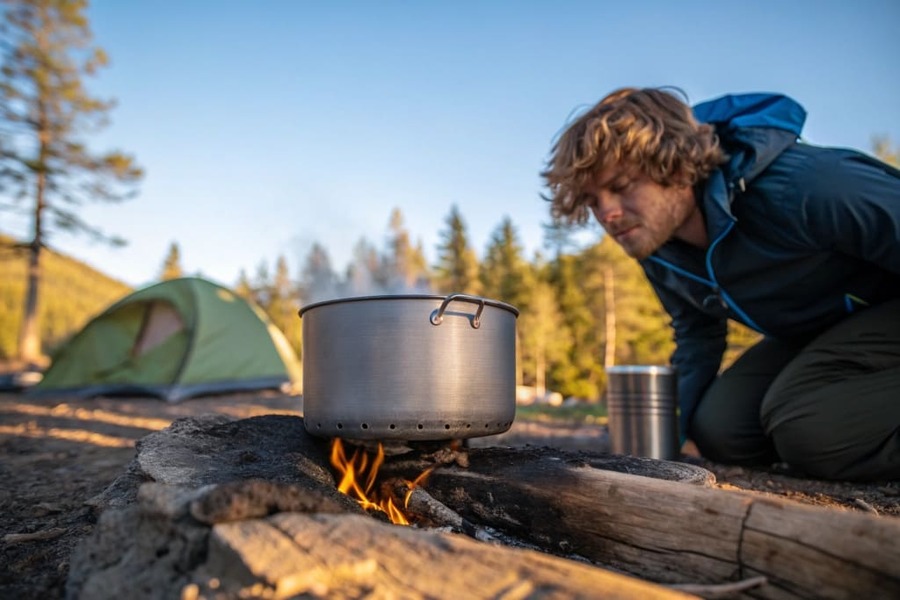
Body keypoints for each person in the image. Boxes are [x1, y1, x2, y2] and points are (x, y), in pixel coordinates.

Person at [541, 87, 900, 481]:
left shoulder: (810, 186)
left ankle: (827, 442)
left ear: (676, 165)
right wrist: (664, 439)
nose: (607, 213)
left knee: (809, 428)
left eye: (623, 185)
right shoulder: (658, 247)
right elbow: (696, 334)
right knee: (721, 430)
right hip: (818, 332)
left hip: (885, 308)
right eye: (593, 200)